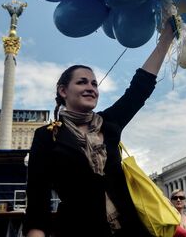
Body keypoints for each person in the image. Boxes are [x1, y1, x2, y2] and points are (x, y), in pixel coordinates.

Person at [23, 22, 174, 237]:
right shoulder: (47, 136)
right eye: (82, 83)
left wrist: (166, 39)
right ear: (63, 90)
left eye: (94, 84)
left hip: (130, 229)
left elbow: (140, 88)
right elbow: (38, 195)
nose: (91, 88)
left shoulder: (109, 122)